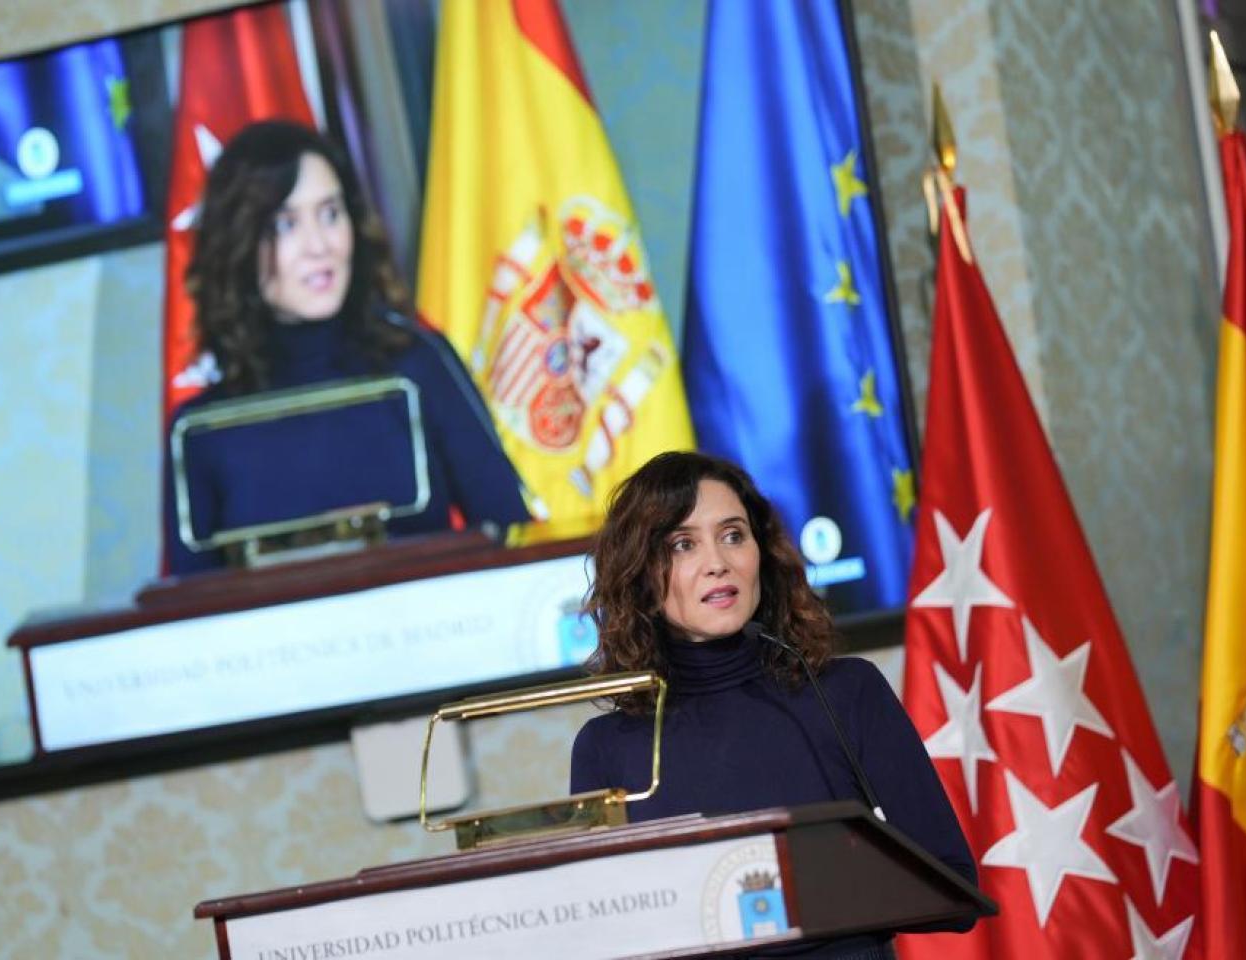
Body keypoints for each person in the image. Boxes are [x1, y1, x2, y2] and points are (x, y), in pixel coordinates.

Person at [570, 451, 977, 958]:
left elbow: (950, 882)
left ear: (761, 553)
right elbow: (602, 930)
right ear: (642, 579)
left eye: (733, 535)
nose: (717, 562)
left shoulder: (846, 693)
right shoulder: (608, 748)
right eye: (682, 544)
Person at [164, 121, 531, 575]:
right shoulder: (199, 430)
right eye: (286, 224)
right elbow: (188, 611)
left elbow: (511, 535)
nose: (319, 246)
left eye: (331, 214)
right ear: (240, 244)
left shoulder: (417, 364)